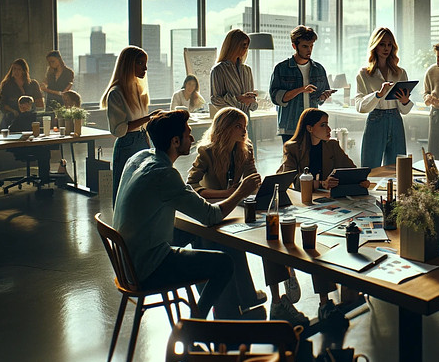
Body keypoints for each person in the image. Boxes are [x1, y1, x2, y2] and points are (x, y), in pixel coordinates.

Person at [113, 110, 250, 321]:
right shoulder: (164, 174)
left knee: (200, 236)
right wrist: (241, 192)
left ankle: (226, 311)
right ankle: (197, 321)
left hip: (126, 262)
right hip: (148, 268)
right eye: (188, 134)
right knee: (224, 264)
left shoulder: (139, 157)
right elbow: (211, 216)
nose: (193, 138)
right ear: (175, 141)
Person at [185, 107, 291, 320]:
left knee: (267, 234)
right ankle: (241, 299)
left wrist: (256, 184)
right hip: (214, 210)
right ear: (224, 128)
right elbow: (191, 185)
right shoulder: (206, 151)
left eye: (245, 126)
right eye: (238, 126)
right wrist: (227, 193)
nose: (244, 131)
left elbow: (251, 177)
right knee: (232, 247)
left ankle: (250, 296)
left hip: (237, 207)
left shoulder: (245, 148)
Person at [278, 108, 372, 328]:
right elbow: (290, 180)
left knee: (337, 239)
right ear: (309, 128)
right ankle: (322, 299)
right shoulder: (292, 148)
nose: (329, 129)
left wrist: (360, 181)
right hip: (303, 205)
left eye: (328, 124)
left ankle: (332, 299)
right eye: (323, 125)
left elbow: (350, 169)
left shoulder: (331, 145)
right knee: (315, 245)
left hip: (329, 206)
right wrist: (320, 184)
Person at [102, 46, 154, 203]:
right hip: (127, 144)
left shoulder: (139, 89)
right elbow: (119, 129)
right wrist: (148, 118)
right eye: (140, 63)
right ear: (128, 65)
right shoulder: (116, 93)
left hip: (142, 140)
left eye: (145, 63)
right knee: (123, 192)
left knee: (143, 188)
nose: (145, 68)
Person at [355, 27, 413, 168]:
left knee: (398, 168)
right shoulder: (364, 74)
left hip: (396, 119)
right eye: (382, 44)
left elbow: (404, 111)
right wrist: (378, 95)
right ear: (375, 45)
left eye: (389, 45)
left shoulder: (400, 73)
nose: (386, 48)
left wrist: (405, 101)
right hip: (376, 119)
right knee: (370, 167)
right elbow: (360, 107)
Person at [269, 26, 334, 143]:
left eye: (311, 46)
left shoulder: (319, 69)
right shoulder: (281, 68)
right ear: (294, 46)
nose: (309, 50)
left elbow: (319, 100)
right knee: (292, 161)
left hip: (313, 127)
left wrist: (323, 97)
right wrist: (302, 89)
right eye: (305, 46)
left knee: (313, 160)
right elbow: (276, 97)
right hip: (290, 126)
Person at [210, 29, 256, 116]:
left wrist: (251, 99)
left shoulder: (247, 70)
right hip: (228, 120)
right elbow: (215, 100)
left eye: (247, 45)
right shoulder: (218, 70)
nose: (246, 48)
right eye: (243, 44)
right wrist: (238, 99)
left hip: (245, 119)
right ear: (234, 45)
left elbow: (252, 104)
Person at [0, 58, 43, 129]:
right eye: (14, 69)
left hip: (29, 117)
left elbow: (40, 103)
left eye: (19, 69)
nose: (16, 72)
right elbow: (2, 104)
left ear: (24, 71)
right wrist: (13, 111)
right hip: (12, 117)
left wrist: (30, 106)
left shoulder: (33, 84)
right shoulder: (7, 85)